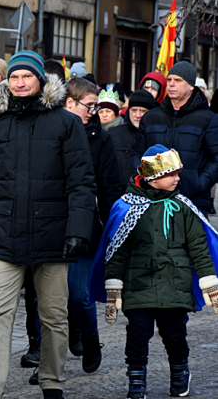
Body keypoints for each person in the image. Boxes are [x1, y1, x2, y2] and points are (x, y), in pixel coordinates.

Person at [0, 51, 96, 399]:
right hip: (4, 235)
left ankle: (52, 382)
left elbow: (81, 183)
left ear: (40, 81)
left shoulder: (67, 123)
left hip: (53, 235)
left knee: (52, 316)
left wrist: (79, 230)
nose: (19, 83)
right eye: (14, 77)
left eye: (26, 77)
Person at [91, 145, 218, 399]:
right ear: (154, 177)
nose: (178, 179)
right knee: (137, 334)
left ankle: (180, 371)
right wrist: (113, 285)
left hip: (175, 283)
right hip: (137, 283)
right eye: (172, 174)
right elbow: (117, 248)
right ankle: (136, 377)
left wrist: (209, 281)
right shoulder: (126, 206)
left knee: (175, 334)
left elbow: (198, 247)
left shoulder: (183, 207)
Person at [62, 77, 123, 374]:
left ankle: (90, 337)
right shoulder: (52, 131)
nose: (94, 111)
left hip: (86, 227)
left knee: (79, 294)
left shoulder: (101, 139)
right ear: (69, 103)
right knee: (45, 301)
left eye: (97, 106)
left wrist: (113, 229)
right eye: (90, 105)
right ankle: (46, 358)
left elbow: (111, 187)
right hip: (50, 224)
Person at [132, 61, 218, 216]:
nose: (171, 84)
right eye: (169, 79)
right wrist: (145, 180)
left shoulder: (208, 119)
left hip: (193, 202)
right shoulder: (151, 117)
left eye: (178, 80)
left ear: (191, 86)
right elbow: (137, 153)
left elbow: (216, 159)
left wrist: (198, 183)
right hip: (152, 200)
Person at [108, 89, 157, 186]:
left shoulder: (158, 134)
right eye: (134, 110)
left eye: (143, 111)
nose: (138, 115)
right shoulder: (113, 135)